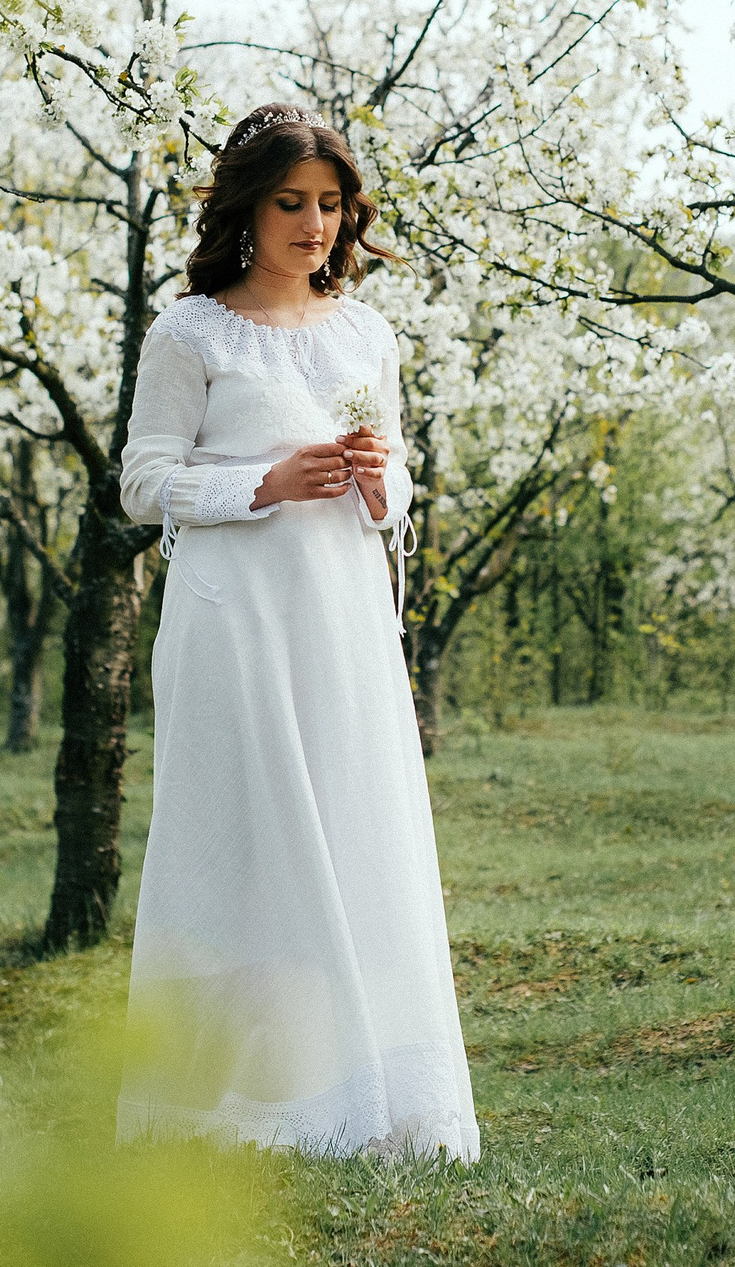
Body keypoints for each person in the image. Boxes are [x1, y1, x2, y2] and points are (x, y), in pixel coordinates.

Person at [112, 102, 479, 1161]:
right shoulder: (190, 331)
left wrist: (383, 480)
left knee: (357, 830)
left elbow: (397, 467)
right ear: (246, 206)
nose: (314, 225)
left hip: (342, 617)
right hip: (234, 616)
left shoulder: (366, 330)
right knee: (246, 838)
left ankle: (373, 1095)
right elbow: (142, 481)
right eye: (291, 203)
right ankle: (232, 1107)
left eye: (330, 204)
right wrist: (259, 483)